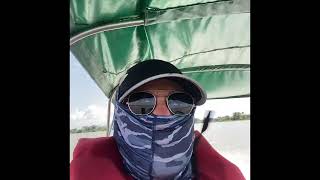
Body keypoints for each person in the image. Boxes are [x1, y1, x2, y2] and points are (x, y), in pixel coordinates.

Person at [70, 60, 246, 180]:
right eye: (142, 102)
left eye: (179, 102)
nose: (163, 113)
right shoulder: (83, 172)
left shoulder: (227, 174)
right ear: (120, 113)